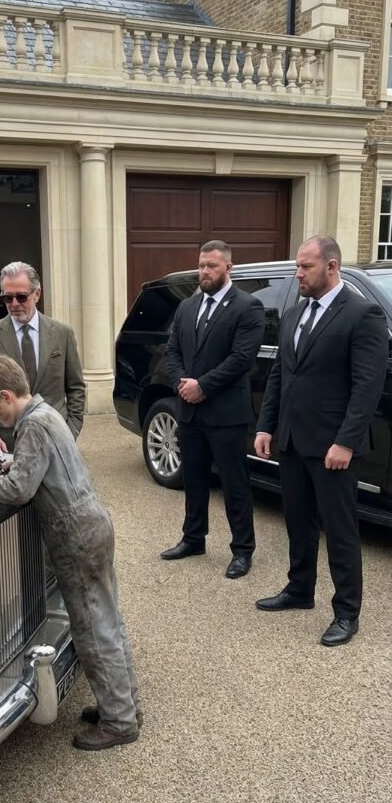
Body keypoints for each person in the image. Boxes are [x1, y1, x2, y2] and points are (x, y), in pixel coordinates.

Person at [0, 356, 141, 751]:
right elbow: (38, 469)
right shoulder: (47, 413)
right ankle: (125, 705)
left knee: (91, 628)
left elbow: (19, 490)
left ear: (4, 396)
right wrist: (15, 464)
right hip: (94, 524)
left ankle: (119, 722)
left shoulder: (30, 424)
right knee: (108, 618)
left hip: (74, 536)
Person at [254, 235, 389, 646]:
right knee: (298, 521)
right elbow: (281, 374)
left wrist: (346, 442)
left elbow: (368, 385)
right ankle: (300, 590)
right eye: (297, 266)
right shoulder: (295, 313)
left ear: (331, 266)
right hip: (293, 442)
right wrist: (266, 425)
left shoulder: (361, 314)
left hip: (333, 447)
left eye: (305, 267)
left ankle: (347, 612)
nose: (298, 274)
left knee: (341, 529)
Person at [162, 240, 265, 578]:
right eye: (202, 265)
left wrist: (202, 386)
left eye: (212, 266)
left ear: (228, 268)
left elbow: (241, 360)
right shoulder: (187, 307)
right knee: (193, 478)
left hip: (227, 415)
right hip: (190, 413)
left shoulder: (248, 307)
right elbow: (173, 349)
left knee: (235, 484)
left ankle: (242, 550)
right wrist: (182, 383)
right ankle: (193, 538)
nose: (204, 271)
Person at [0, 261, 85, 453]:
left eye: (21, 297)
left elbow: (75, 387)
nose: (14, 304)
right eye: (8, 298)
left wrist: (71, 430)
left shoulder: (62, 333)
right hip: (9, 443)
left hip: (56, 438)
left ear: (37, 294)